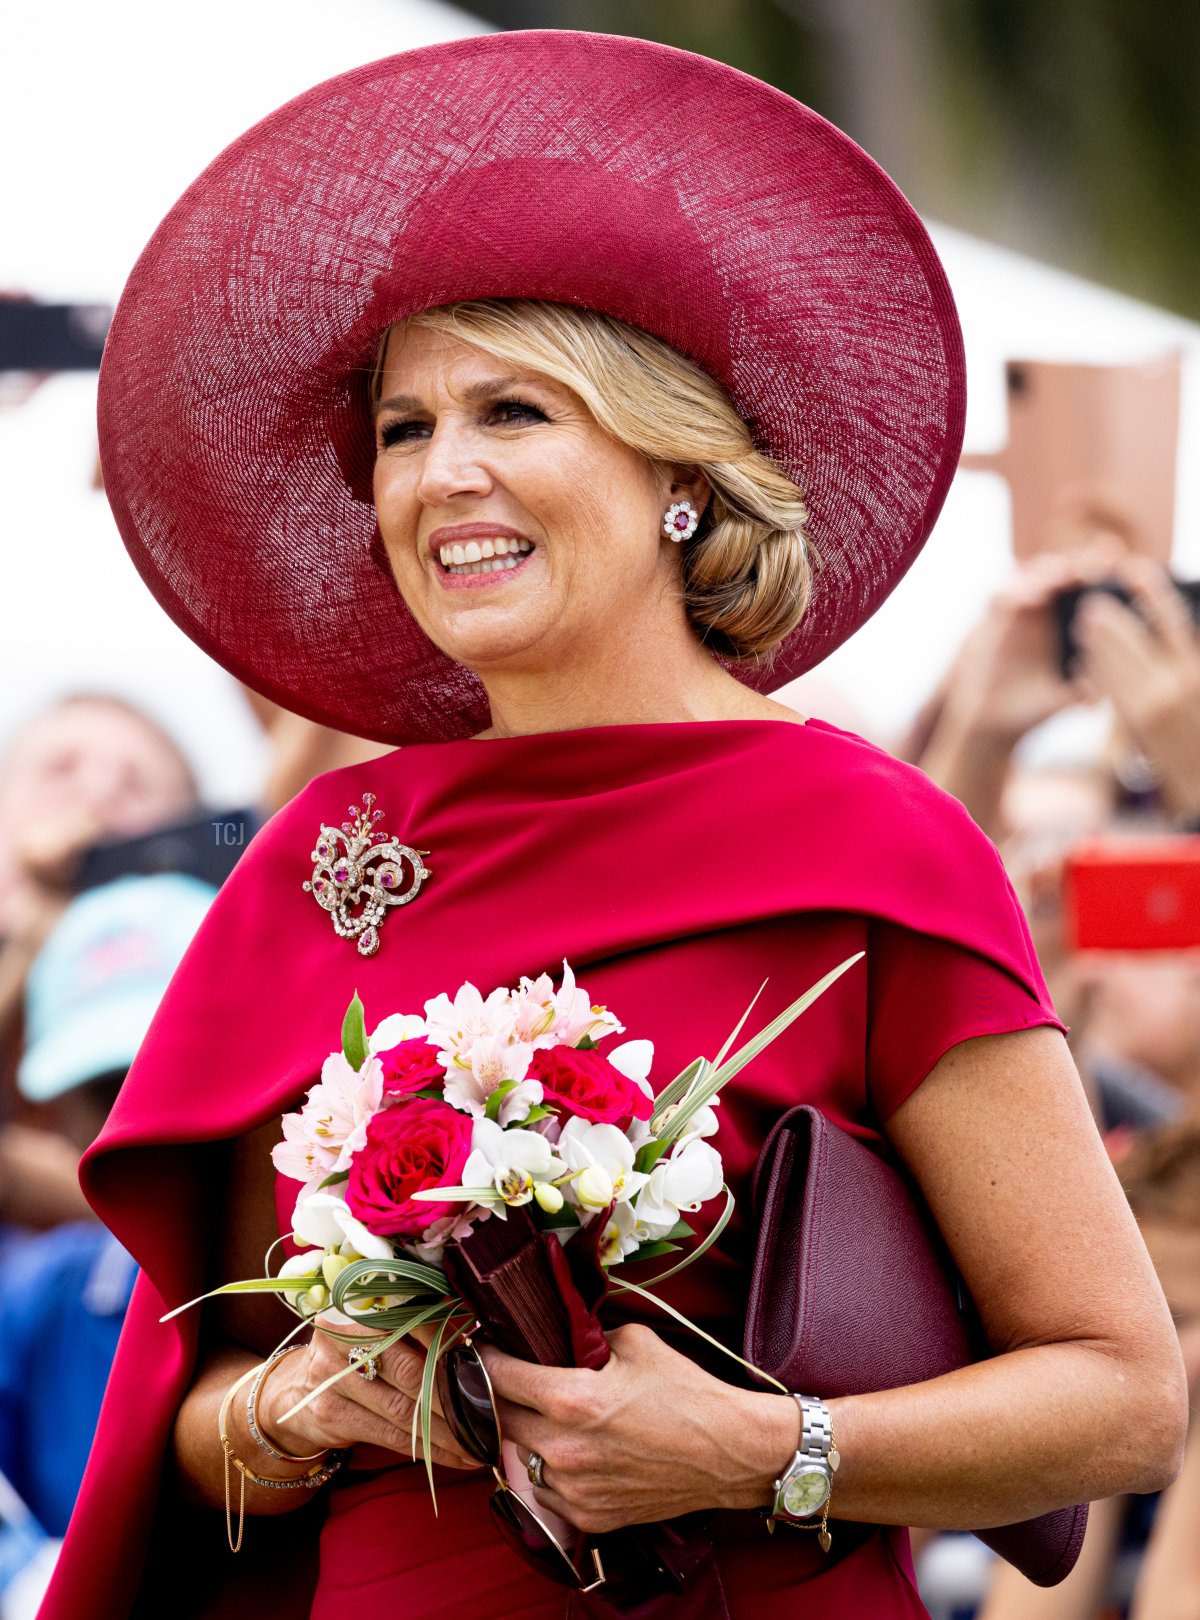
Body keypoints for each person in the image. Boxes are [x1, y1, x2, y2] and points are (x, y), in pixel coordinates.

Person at [41, 31, 1186, 1620]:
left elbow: (1122, 1397)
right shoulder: (323, 858)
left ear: (676, 472)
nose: (444, 476)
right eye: (401, 429)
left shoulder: (873, 837)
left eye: (514, 412)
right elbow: (197, 1412)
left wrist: (760, 1448)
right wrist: (294, 1416)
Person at [0, 872, 215, 1608]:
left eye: (168, 1070)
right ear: (52, 1118)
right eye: (107, 1090)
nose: (139, 1122)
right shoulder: (28, 1308)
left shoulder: (367, 1281)